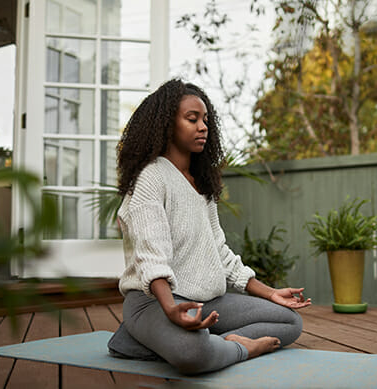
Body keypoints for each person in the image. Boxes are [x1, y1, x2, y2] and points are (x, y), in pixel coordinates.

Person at [108, 79, 311, 375]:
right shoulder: (150, 178)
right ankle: (236, 347)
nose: (203, 126)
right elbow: (150, 257)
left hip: (207, 300)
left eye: (205, 120)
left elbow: (220, 253)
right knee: (194, 352)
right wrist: (170, 310)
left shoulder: (200, 185)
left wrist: (270, 293)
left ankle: (170, 342)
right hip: (153, 301)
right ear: (166, 124)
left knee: (289, 322)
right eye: (192, 119)